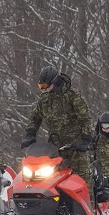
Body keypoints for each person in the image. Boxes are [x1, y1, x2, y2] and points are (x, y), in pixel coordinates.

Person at [22, 66, 93, 194]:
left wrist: (86, 138)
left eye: (46, 86)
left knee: (82, 180)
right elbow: (35, 117)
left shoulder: (72, 97)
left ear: (55, 82)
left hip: (76, 147)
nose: (45, 90)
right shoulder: (44, 100)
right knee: (50, 180)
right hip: (55, 149)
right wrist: (30, 133)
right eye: (41, 87)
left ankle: (89, 211)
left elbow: (85, 118)